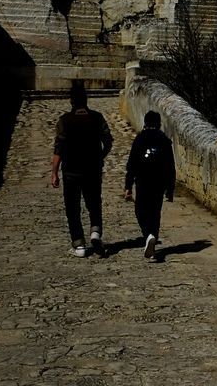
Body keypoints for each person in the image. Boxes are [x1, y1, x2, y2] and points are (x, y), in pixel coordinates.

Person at [50, 83, 113, 257]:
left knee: (72, 207)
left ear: (71, 101)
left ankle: (79, 244)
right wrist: (100, 156)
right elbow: (108, 141)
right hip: (92, 169)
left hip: (71, 171)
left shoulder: (64, 121)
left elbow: (58, 149)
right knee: (94, 202)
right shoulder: (97, 118)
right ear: (86, 99)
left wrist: (54, 172)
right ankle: (95, 232)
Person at [123, 110, 176, 260]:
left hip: (143, 181)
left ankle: (148, 234)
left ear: (145, 123)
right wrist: (170, 189)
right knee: (155, 211)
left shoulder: (140, 139)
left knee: (140, 210)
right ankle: (153, 235)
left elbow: (131, 164)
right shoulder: (164, 140)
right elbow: (170, 167)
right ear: (159, 124)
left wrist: (128, 186)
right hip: (159, 183)